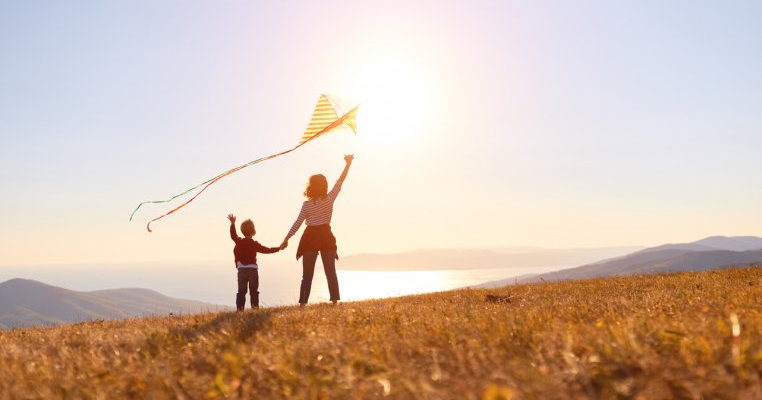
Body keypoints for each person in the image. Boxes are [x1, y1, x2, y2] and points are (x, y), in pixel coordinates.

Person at [280, 155, 354, 306]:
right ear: (325, 186)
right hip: (325, 236)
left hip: (310, 237)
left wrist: (286, 239)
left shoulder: (306, 205)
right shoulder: (329, 199)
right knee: (330, 272)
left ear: (311, 187)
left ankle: (302, 304)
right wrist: (348, 164)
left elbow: (297, 223)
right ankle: (334, 302)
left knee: (307, 275)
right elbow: (340, 182)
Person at [228, 214, 281, 311]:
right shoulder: (254, 244)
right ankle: (255, 309)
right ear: (253, 231)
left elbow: (233, 235)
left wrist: (232, 224)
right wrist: (278, 248)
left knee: (241, 291)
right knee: (254, 291)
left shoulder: (239, 241)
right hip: (253, 270)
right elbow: (267, 250)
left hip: (241, 270)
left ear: (242, 231)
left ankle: (240, 310)